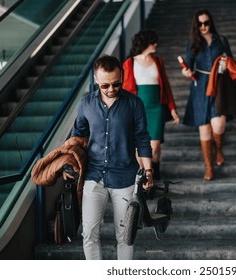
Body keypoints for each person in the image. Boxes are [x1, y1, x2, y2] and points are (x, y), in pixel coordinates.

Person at [70, 54, 153, 260]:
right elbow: (77, 136)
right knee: (89, 233)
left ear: (122, 76)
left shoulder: (134, 103)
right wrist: (68, 164)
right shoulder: (85, 104)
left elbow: (142, 138)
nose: (110, 89)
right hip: (93, 175)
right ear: (96, 79)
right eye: (105, 85)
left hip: (125, 176)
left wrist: (149, 170)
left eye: (116, 84)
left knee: (125, 235)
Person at [181, 9, 233, 181]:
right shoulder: (192, 42)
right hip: (201, 85)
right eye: (200, 24)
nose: (203, 27)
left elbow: (231, 60)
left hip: (219, 84)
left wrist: (227, 65)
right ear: (196, 25)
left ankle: (218, 148)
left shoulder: (222, 40)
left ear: (211, 23)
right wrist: (186, 72)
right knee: (204, 127)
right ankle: (209, 167)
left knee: (218, 125)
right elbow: (187, 65)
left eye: (206, 23)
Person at [123, 29, 180, 180]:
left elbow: (166, 86)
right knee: (139, 147)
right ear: (145, 43)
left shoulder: (158, 61)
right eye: (153, 41)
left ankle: (154, 172)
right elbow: (125, 90)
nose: (156, 44)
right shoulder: (129, 63)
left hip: (157, 108)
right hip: (137, 110)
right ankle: (144, 180)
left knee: (154, 147)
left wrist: (172, 108)